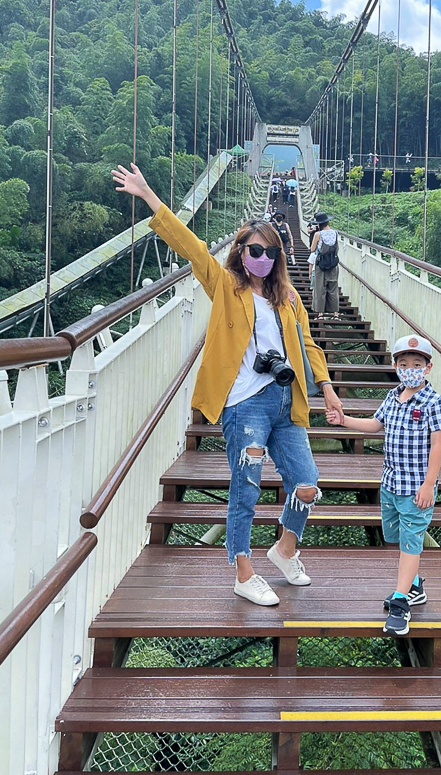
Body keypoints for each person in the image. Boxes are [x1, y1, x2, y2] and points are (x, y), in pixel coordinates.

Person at [111, 162, 344, 607]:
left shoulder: (289, 296)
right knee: (247, 484)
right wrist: (150, 198)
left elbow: (308, 344)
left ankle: (285, 550)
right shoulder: (225, 286)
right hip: (243, 404)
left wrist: (327, 389)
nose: (263, 258)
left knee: (307, 483)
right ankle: (242, 567)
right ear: (240, 251)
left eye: (270, 252)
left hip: (285, 401)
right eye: (254, 249)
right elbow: (193, 248)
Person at [326, 335, 441, 636]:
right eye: (405, 364)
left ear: (428, 368)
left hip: (416, 487)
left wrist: (428, 485)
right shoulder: (393, 398)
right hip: (391, 484)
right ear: (396, 366)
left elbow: (438, 446)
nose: (411, 369)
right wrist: (344, 421)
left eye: (417, 364)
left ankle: (400, 603)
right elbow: (375, 425)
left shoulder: (434, 402)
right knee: (394, 537)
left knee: (410, 542)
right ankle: (415, 586)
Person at [310, 211, 339, 321]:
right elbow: (337, 248)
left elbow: (312, 249)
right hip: (333, 265)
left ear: (319, 224)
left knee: (320, 288)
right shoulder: (335, 233)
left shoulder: (318, 234)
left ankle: (321, 314)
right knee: (333, 288)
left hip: (321, 264)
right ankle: (335, 314)